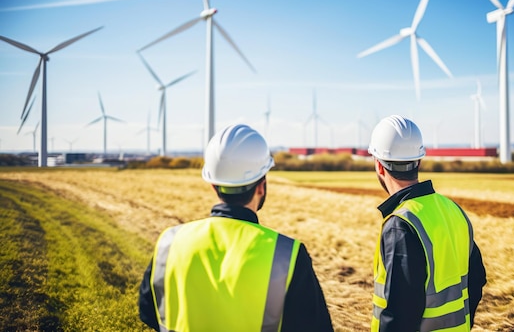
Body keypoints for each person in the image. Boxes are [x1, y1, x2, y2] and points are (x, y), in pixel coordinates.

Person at [138, 123, 334, 332]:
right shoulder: (286, 255)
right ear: (261, 185)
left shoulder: (169, 243)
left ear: (213, 185)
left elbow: (148, 311)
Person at [368, 115, 487, 332]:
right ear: (419, 161)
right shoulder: (453, 210)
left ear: (379, 166)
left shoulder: (401, 224)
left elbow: (399, 314)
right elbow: (476, 279)